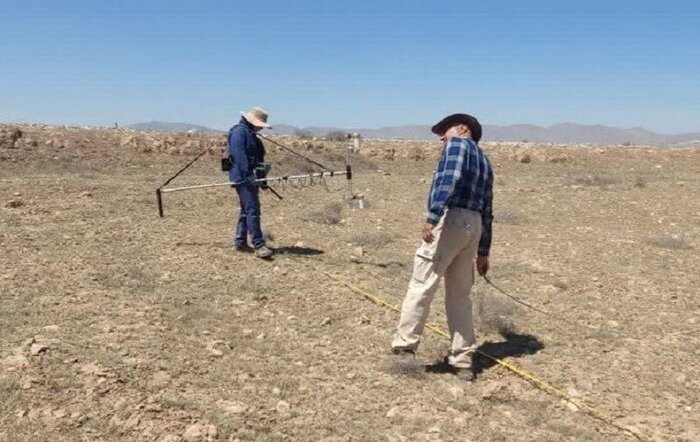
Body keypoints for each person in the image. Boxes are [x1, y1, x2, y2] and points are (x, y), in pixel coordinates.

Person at [391, 113, 494, 381]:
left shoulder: (457, 145)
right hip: (474, 225)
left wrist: (433, 215)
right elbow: (488, 209)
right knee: (460, 296)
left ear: (461, 129)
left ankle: (404, 348)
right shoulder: (485, 160)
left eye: (444, 131)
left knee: (422, 285)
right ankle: (463, 361)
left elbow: (449, 179)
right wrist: (483, 251)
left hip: (451, 221)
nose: (441, 137)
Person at [225, 106, 274, 259]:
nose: (261, 128)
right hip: (243, 177)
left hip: (250, 177)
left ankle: (240, 242)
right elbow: (240, 158)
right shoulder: (239, 132)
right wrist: (249, 177)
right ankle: (259, 245)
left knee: (246, 210)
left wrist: (262, 178)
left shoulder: (251, 134)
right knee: (253, 210)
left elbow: (258, 159)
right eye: (260, 125)